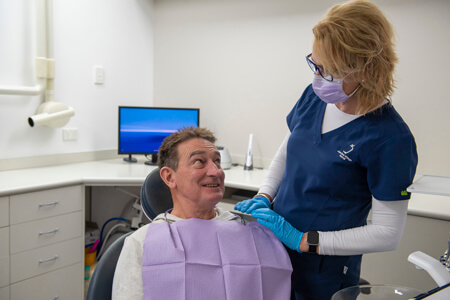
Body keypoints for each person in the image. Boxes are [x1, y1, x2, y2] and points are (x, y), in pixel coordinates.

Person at [234, 1, 418, 299]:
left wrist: (305, 240)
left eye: (328, 71)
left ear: (366, 69)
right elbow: (289, 147)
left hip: (323, 272)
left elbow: (387, 233)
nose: (318, 78)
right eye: (315, 65)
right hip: (274, 252)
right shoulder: (314, 97)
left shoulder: (390, 138)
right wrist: (264, 196)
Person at [112, 126, 292, 300]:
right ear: (169, 177)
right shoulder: (142, 244)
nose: (216, 172)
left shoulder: (247, 233)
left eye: (217, 161)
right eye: (199, 161)